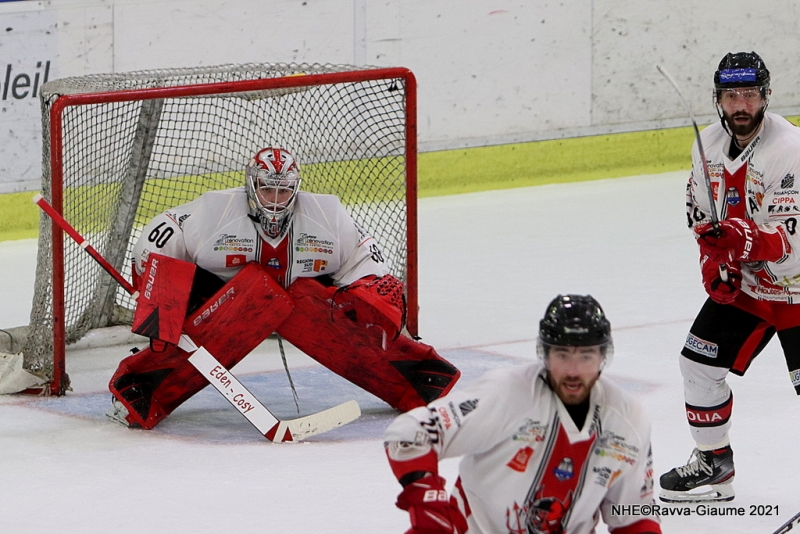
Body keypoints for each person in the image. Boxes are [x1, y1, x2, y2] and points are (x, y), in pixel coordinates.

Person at [106, 146, 460, 429]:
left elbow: (361, 252)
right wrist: (155, 289)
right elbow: (165, 230)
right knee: (245, 302)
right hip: (228, 299)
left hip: (300, 300)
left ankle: (417, 380)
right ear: (251, 184)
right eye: (267, 188)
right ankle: (141, 387)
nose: (275, 199)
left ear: (296, 188)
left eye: (283, 190)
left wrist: (368, 289)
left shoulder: (327, 216)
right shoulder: (214, 213)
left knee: (344, 317)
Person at [384, 295, 661, 534]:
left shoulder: (627, 421)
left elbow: (635, 517)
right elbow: (411, 432)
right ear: (545, 354)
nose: (574, 370)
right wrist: (426, 499)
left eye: (586, 355)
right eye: (562, 354)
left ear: (603, 357)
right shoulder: (506, 394)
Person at [660, 51, 800, 503]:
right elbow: (702, 218)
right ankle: (714, 465)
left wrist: (744, 242)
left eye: (750, 94)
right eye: (731, 95)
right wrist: (713, 262)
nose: (741, 105)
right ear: (718, 99)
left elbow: (789, 244)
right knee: (698, 365)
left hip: (797, 289)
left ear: (766, 96)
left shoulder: (791, 149)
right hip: (751, 289)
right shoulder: (708, 147)